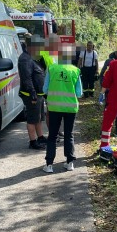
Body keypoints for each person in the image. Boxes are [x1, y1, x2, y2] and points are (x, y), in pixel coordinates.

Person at [42, 44, 83, 173]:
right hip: (71, 107)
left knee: (52, 135)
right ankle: (70, 162)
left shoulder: (51, 68)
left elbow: (45, 89)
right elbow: (79, 92)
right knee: (69, 135)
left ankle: (49, 165)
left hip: (54, 106)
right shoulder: (75, 70)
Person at [18, 41, 47, 150]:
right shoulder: (25, 59)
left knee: (38, 117)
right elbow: (27, 78)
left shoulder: (32, 57)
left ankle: (40, 137)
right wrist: (33, 94)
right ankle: (33, 141)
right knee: (32, 119)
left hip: (38, 93)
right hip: (31, 95)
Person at [99, 51, 117, 137]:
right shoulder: (109, 62)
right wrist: (104, 89)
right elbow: (102, 75)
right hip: (110, 91)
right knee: (108, 110)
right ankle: (104, 130)